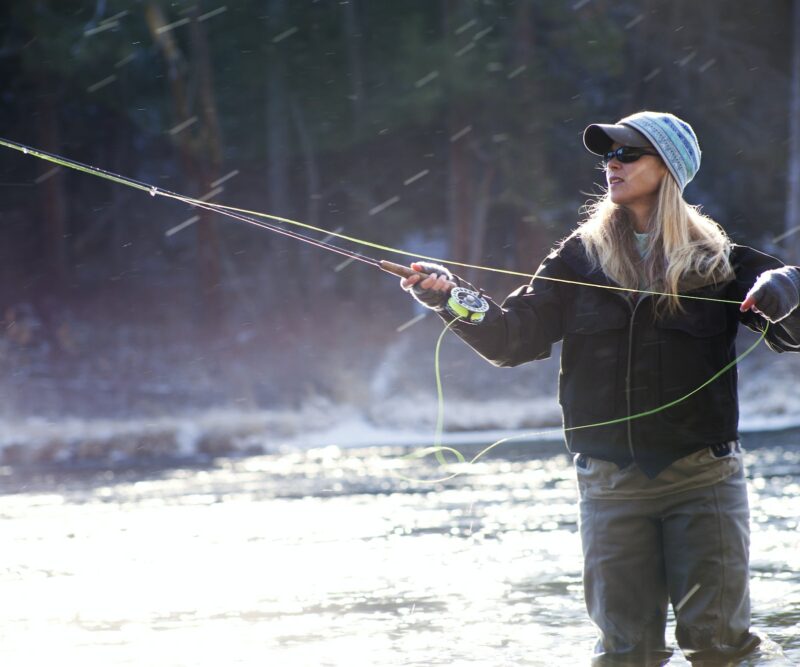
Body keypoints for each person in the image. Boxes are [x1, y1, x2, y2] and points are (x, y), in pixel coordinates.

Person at [400, 111, 800, 666]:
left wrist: (788, 286)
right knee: (625, 652)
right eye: (608, 154)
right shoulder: (578, 257)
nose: (612, 163)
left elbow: (792, 329)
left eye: (628, 153)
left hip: (703, 479)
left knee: (719, 649)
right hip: (609, 486)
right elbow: (513, 338)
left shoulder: (721, 261)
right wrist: (451, 299)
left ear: (669, 170)